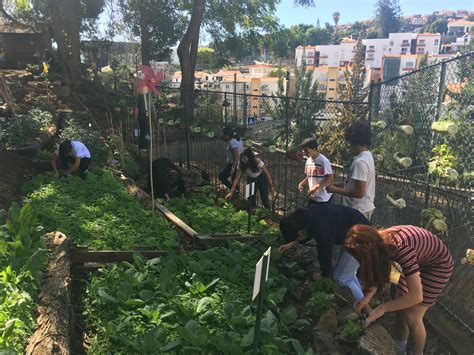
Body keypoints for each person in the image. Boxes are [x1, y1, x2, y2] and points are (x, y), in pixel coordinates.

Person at [345, 224, 453, 355]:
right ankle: (399, 348)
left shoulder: (401, 249)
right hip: (420, 259)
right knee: (401, 306)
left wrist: (382, 308)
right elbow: (380, 270)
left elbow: (416, 296)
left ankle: (416, 353)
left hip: (437, 266)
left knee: (413, 316)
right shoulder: (378, 241)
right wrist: (366, 298)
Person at [279, 204, 371, 305]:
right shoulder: (310, 215)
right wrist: (291, 244)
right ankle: (364, 303)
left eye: (297, 237)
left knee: (340, 278)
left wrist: (324, 275)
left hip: (362, 240)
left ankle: (364, 309)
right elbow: (308, 233)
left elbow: (325, 252)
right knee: (346, 274)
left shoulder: (320, 227)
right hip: (355, 234)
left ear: (300, 232)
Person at [327, 122, 375, 220]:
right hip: (362, 209)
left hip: (358, 211)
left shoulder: (360, 162)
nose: (347, 144)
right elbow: (356, 184)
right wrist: (340, 184)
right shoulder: (367, 155)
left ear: (353, 140)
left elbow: (359, 193)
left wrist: (334, 190)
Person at [297, 138, 334, 205]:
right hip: (313, 197)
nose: (304, 153)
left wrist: (316, 187)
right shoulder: (308, 160)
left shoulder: (323, 161)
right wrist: (302, 183)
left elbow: (330, 178)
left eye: (306, 151)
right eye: (303, 151)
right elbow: (310, 176)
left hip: (323, 198)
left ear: (314, 149)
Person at [219, 126, 243, 193]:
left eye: (223, 135)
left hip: (233, 164)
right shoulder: (238, 139)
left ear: (227, 135)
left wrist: (232, 168)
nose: (222, 136)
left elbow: (236, 156)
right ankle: (236, 193)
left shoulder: (231, 142)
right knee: (235, 180)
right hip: (238, 163)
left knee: (222, 176)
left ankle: (235, 191)